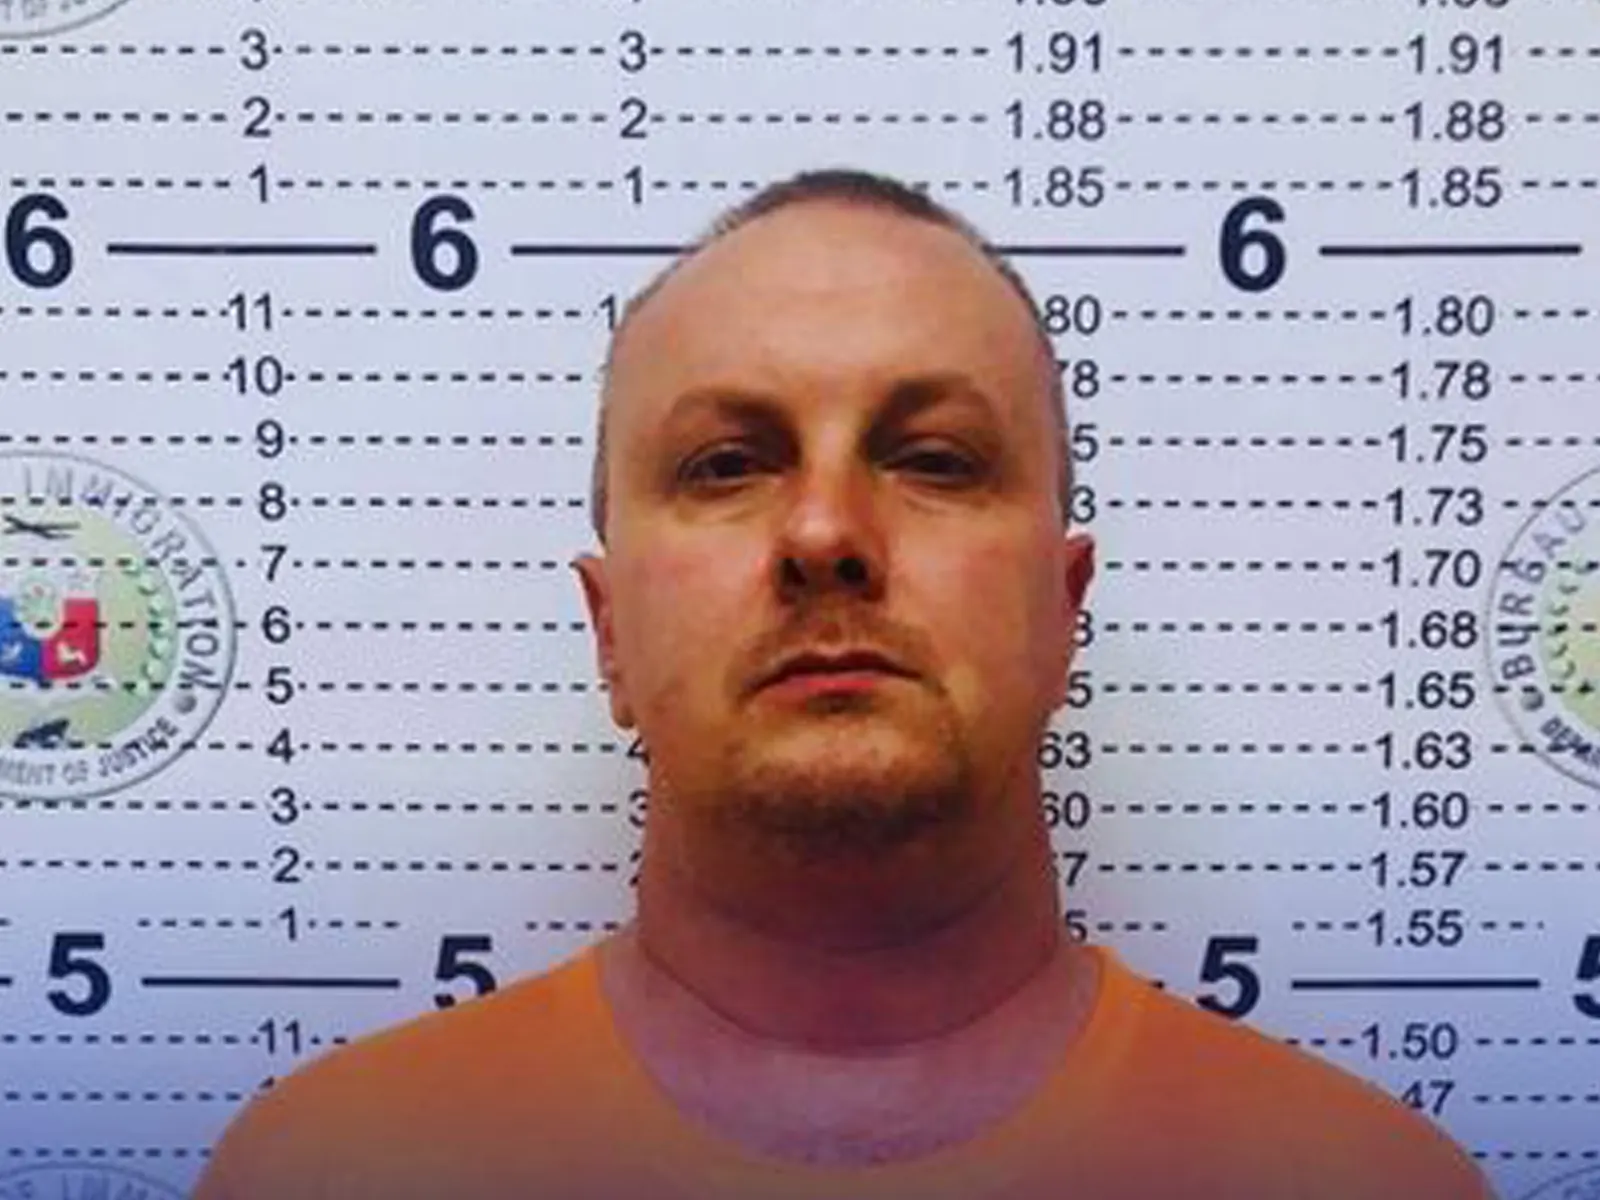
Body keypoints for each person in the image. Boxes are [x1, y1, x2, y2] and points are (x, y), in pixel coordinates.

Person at [191, 167, 1495, 1200]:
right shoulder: (330, 1171)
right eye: (725, 464)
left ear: (1064, 610)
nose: (824, 532)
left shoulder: (1364, 1181)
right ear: (608, 632)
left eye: (934, 459)